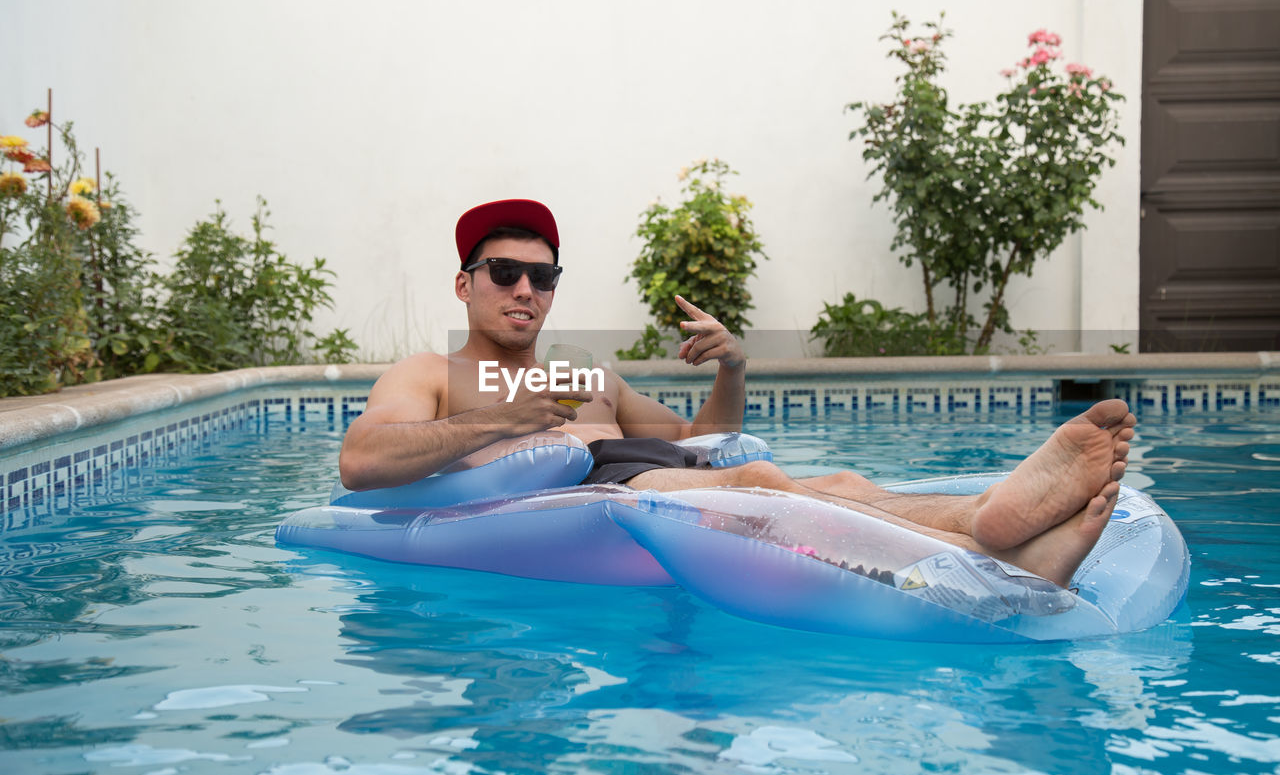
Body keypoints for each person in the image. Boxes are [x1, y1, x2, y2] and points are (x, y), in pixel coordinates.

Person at [340, 199, 1135, 587]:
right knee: (760, 484)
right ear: (464, 284)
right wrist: (502, 418)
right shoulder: (431, 372)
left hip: (639, 468)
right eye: (504, 273)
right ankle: (993, 560)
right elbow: (362, 458)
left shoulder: (585, 373)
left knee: (840, 483)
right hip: (581, 492)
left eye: (541, 275)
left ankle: (991, 517)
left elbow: (694, 440)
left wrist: (732, 370)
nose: (524, 289)